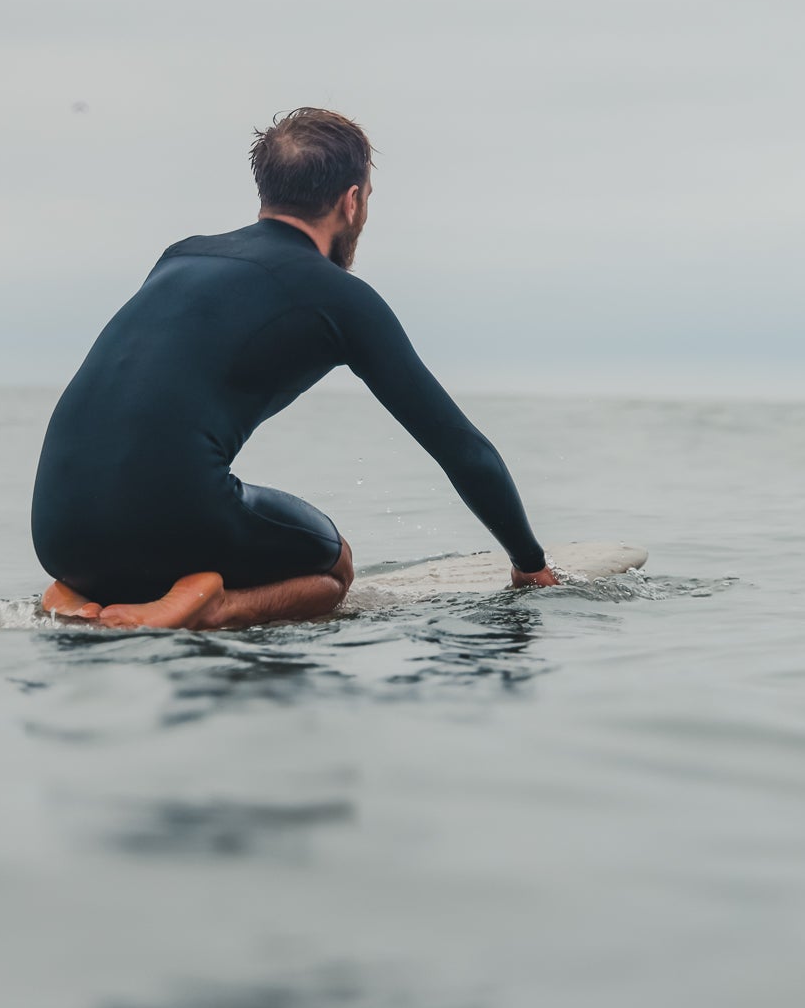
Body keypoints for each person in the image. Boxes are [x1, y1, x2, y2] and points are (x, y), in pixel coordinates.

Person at [31, 108, 558, 630]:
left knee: (171, 516)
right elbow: (461, 449)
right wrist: (529, 564)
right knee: (334, 565)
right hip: (172, 520)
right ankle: (213, 608)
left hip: (57, 532)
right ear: (351, 202)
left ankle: (79, 593)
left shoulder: (179, 256)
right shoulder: (339, 298)